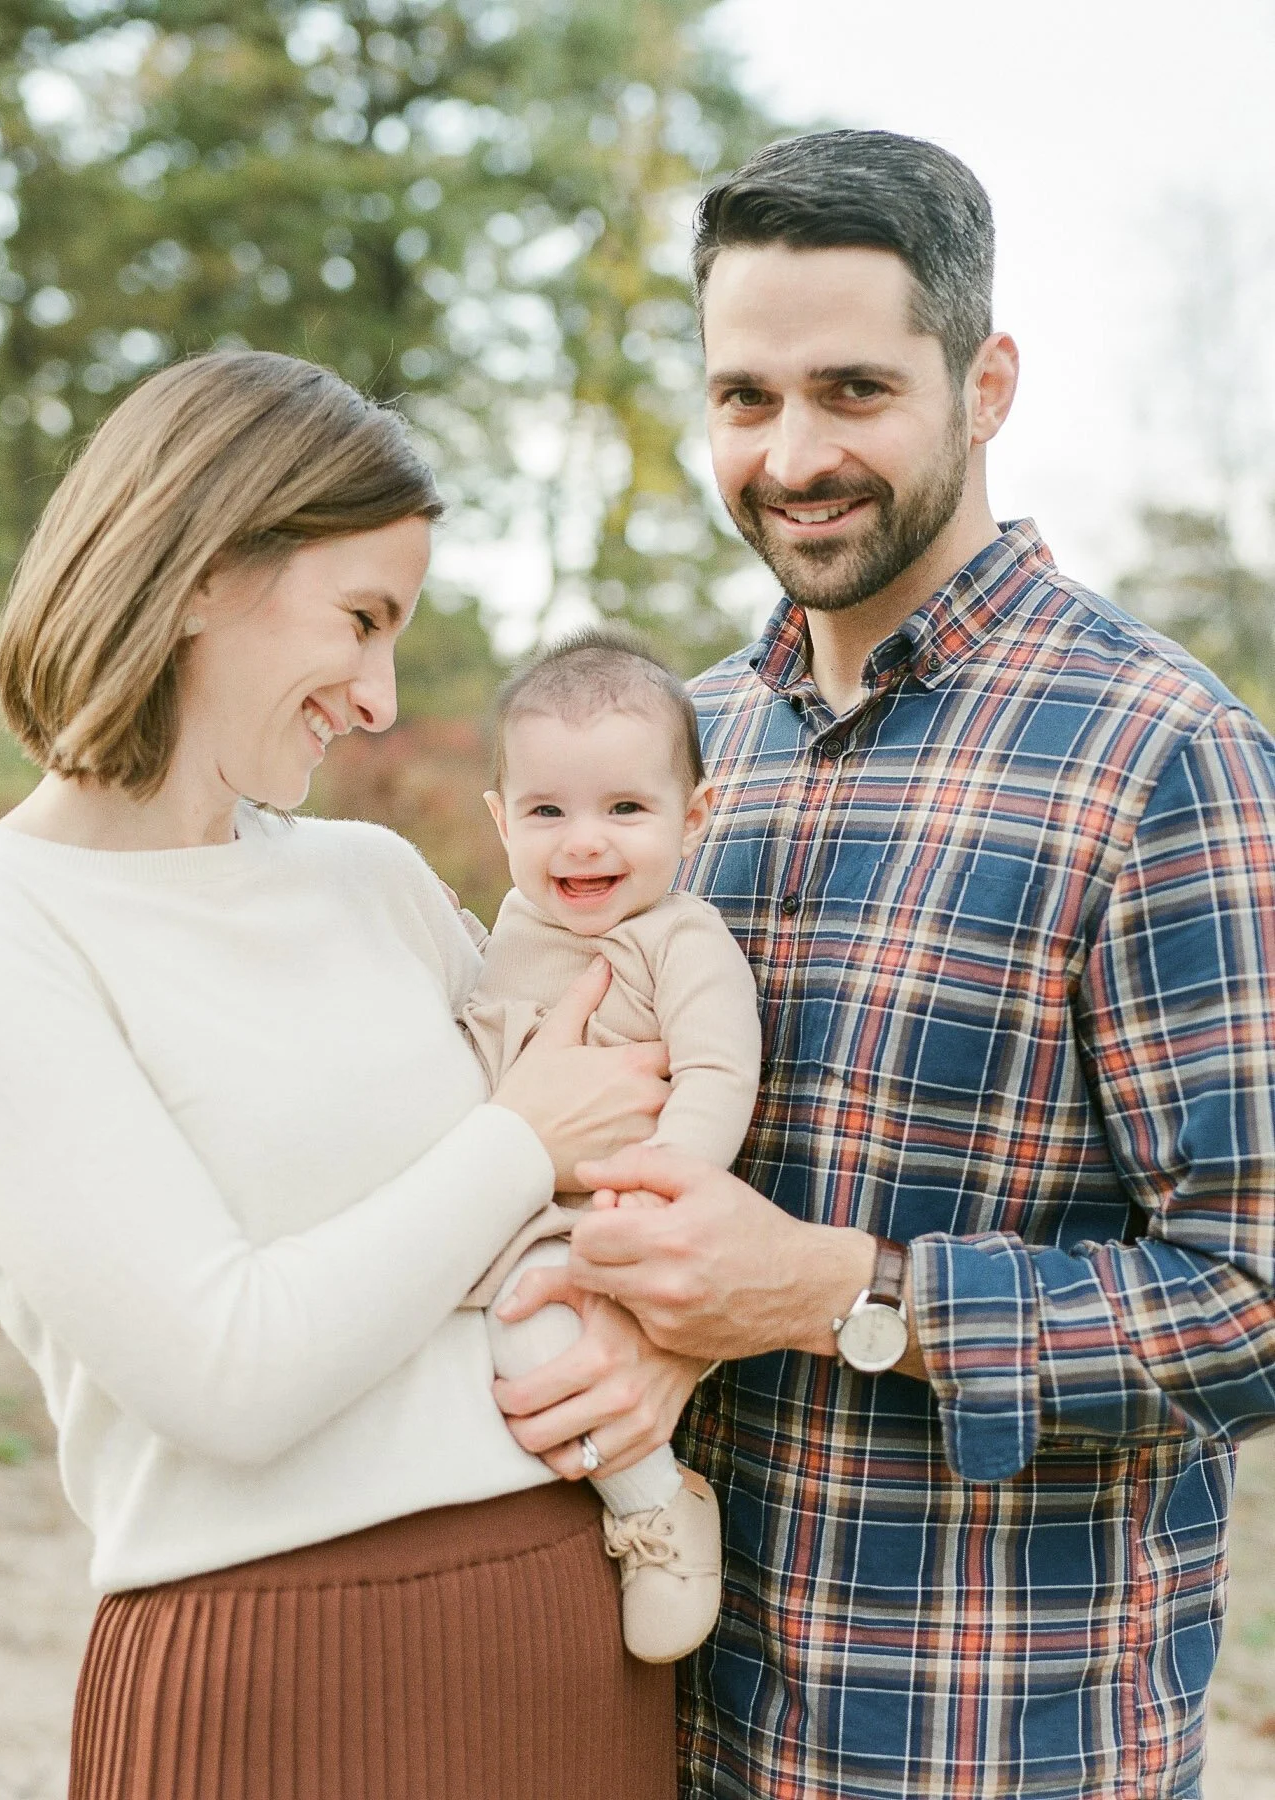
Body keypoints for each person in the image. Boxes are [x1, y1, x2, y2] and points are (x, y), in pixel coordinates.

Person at [494, 132, 1275, 1799]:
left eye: (853, 388)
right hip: (639, 1722)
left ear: (984, 383)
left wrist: (845, 1298)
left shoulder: (1159, 757)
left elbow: (1253, 1296)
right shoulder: (674, 747)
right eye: (743, 397)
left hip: (975, 1746)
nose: (791, 454)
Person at [0, 348, 692, 1800]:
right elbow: (227, 1374)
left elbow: (597, 1164)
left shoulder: (377, 879)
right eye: (360, 621)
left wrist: (661, 1343)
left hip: (571, 1636)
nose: (377, 696)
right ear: (199, 571)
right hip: (260, 1683)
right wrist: (515, 1142)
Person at [456, 628, 761, 1662]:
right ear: (501, 821)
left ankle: (657, 1507)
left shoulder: (681, 938)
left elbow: (720, 1072)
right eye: (547, 812)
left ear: (694, 815)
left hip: (614, 1221)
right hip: (506, 1197)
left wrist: (656, 1187)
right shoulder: (507, 929)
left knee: (539, 1325)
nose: (583, 843)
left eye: (625, 810)